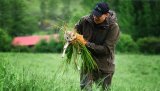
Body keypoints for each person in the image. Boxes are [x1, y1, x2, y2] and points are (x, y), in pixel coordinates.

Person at [74, 2, 120, 90]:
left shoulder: (113, 27)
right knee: (85, 89)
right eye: (94, 14)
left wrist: (85, 43)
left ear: (106, 15)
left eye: (98, 16)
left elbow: (106, 49)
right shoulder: (85, 20)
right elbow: (75, 32)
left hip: (105, 66)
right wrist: (70, 37)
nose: (95, 17)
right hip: (87, 63)